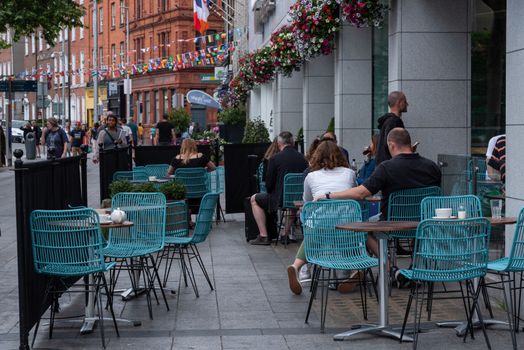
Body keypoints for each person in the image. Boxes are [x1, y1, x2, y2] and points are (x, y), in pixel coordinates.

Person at [314, 128, 441, 285]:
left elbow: (361, 193)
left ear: (392, 145)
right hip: (424, 224)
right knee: (419, 220)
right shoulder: (432, 167)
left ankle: (391, 269)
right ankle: (415, 268)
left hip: (390, 222)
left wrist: (329, 195)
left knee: (364, 229)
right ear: (409, 144)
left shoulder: (386, 167)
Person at [287, 140, 358, 295]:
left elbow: (307, 203)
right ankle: (355, 269)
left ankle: (296, 267)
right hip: (345, 224)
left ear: (316, 156)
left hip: (320, 225)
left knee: (313, 236)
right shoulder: (350, 173)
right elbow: (354, 196)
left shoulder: (311, 176)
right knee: (351, 236)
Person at [250, 131, 308, 245]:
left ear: (278, 143)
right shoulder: (303, 158)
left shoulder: (275, 159)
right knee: (292, 206)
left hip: (279, 199)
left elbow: (269, 183)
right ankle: (284, 234)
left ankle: (263, 235)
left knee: (254, 199)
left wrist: (271, 192)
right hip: (297, 199)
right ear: (292, 142)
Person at [375, 91, 408, 165]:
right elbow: (390, 144)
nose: (407, 104)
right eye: (405, 101)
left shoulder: (387, 121)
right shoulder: (394, 121)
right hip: (391, 167)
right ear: (399, 102)